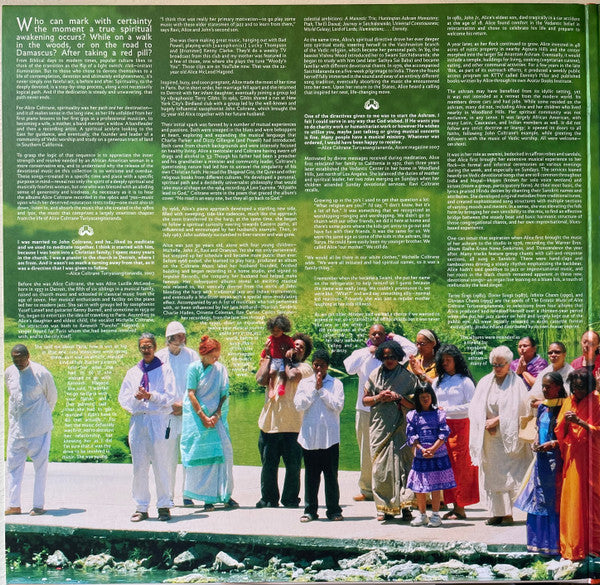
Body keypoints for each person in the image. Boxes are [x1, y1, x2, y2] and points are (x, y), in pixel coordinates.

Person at [343, 324, 416, 502]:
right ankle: (367, 489)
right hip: (366, 409)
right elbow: (349, 368)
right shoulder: (362, 354)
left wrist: (395, 336)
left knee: (394, 451)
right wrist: (369, 351)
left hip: (392, 411)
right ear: (369, 336)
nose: (377, 336)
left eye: (381, 333)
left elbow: (412, 349)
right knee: (366, 451)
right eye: (373, 333)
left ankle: (398, 490)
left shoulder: (393, 354)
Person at [469, 345, 532, 526]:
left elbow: (520, 410)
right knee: (492, 475)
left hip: (508, 438)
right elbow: (475, 407)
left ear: (509, 364)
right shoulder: (485, 382)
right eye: (494, 365)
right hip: (488, 437)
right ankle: (496, 513)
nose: (497, 368)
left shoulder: (517, 383)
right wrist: (485, 423)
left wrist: (497, 420)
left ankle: (508, 514)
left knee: (508, 475)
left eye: (501, 365)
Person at [118, 333, 177, 522]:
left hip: (157, 420)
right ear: (139, 348)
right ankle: (141, 506)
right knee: (139, 466)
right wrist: (136, 398)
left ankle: (164, 505)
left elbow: (169, 397)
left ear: (155, 346)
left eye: (149, 346)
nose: (146, 350)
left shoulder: (165, 370)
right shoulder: (133, 372)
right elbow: (123, 399)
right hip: (139, 420)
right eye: (143, 347)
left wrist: (151, 396)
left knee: (161, 463)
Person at [363, 340, 419, 521]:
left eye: (393, 357)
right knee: (381, 468)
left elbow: (416, 405)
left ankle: (406, 507)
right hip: (380, 427)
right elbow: (365, 400)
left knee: (404, 467)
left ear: (398, 357)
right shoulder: (374, 375)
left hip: (401, 427)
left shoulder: (408, 377)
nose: (389, 361)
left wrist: (399, 398)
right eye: (385, 357)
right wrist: (379, 397)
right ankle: (384, 507)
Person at [180, 335, 237, 511]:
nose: (217, 359)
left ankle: (225, 495)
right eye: (214, 356)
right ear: (204, 355)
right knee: (203, 459)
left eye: (218, 355)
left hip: (216, 419)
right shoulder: (194, 368)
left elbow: (224, 394)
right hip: (198, 419)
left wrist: (217, 414)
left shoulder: (220, 370)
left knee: (224, 454)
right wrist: (203, 416)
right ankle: (206, 499)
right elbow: (191, 393)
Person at [257, 333, 313, 508]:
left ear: (305, 353)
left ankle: (290, 499)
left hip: (294, 425)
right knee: (268, 465)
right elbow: (260, 380)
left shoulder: (306, 368)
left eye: (301, 347)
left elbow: (292, 376)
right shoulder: (274, 363)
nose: (296, 348)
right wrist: (270, 355)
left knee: (293, 466)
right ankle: (268, 499)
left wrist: (286, 360)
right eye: (294, 345)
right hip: (269, 424)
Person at [515, 371, 567, 556]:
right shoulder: (544, 407)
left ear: (558, 387)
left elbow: (569, 438)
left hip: (557, 463)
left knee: (554, 503)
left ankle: (556, 545)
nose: (544, 390)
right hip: (541, 462)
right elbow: (539, 428)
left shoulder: (564, 408)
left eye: (548, 387)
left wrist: (553, 444)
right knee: (538, 501)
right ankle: (539, 544)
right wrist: (537, 441)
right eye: (543, 387)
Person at [5, 344, 57, 516]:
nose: (18, 362)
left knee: (40, 467)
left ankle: (37, 505)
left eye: (21, 358)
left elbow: (52, 398)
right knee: (12, 467)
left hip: (38, 428)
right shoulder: (9, 373)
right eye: (15, 359)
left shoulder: (41, 373)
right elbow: (12, 397)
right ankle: (13, 505)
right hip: (16, 429)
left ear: (28, 356)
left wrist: (40, 417)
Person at [294, 349, 345, 522]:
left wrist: (322, 390)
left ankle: (333, 510)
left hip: (329, 438)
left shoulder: (336, 383)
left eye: (322, 366)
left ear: (327, 366)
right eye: (316, 365)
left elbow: (337, 406)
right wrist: (313, 390)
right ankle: (310, 510)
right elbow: (299, 405)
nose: (318, 369)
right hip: (309, 438)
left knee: (331, 476)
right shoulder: (304, 383)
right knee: (311, 476)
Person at [555, 368, 600, 560]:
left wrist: (580, 422)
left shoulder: (597, 401)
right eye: (574, 387)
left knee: (593, 501)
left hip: (592, 459)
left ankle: (594, 547)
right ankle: (573, 547)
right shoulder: (568, 401)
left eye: (581, 388)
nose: (577, 391)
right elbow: (560, 430)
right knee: (572, 500)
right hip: (573, 458)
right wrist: (566, 422)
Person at [155, 321, 200, 506]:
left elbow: (198, 382)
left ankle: (188, 494)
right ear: (169, 338)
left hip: (187, 411)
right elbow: (156, 384)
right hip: (166, 413)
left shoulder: (192, 355)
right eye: (178, 336)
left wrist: (184, 404)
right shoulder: (159, 357)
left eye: (183, 335)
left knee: (188, 453)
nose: (182, 339)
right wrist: (170, 405)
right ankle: (169, 495)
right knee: (168, 456)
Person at [432, 344, 479, 520]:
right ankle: (452, 505)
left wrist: (447, 410)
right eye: (442, 361)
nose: (445, 363)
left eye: (448, 360)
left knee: (461, 466)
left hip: (461, 427)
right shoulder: (438, 381)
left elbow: (472, 406)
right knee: (446, 466)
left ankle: (461, 507)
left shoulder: (464, 381)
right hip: (441, 428)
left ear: (456, 361)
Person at [406, 383, 456, 527]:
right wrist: (421, 448)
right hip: (421, 456)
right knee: (419, 486)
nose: (425, 400)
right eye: (422, 398)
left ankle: (435, 515)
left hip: (438, 455)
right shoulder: (412, 415)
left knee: (436, 485)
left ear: (432, 397)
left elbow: (444, 433)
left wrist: (433, 449)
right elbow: (411, 435)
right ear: (417, 399)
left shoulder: (439, 414)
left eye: (427, 397)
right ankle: (422, 515)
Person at [260, 314, 296, 397]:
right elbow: (266, 349)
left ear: (283, 330)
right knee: (272, 373)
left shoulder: (287, 339)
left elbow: (293, 348)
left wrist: (290, 351)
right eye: (273, 330)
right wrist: (262, 357)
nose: (275, 333)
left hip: (283, 359)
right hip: (274, 359)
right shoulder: (270, 338)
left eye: (278, 330)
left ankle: (281, 387)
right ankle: (271, 388)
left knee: (283, 374)